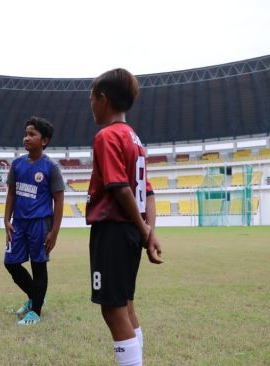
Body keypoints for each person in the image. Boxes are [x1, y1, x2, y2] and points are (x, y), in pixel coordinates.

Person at [86, 68, 164, 366]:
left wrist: (146, 232)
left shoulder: (107, 137)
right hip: (131, 231)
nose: (91, 106)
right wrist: (148, 231)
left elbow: (119, 189)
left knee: (112, 309)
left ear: (103, 99)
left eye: (91, 99)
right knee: (127, 306)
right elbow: (149, 192)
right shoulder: (134, 139)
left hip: (115, 231)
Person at [4, 117, 65, 326]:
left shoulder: (50, 167)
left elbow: (59, 200)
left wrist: (54, 232)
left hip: (40, 223)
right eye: (26, 133)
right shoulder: (17, 164)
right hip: (19, 223)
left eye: (32, 134)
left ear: (44, 140)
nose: (26, 138)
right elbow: (11, 193)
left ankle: (35, 311)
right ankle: (36, 296)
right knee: (10, 263)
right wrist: (6, 220)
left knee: (38, 266)